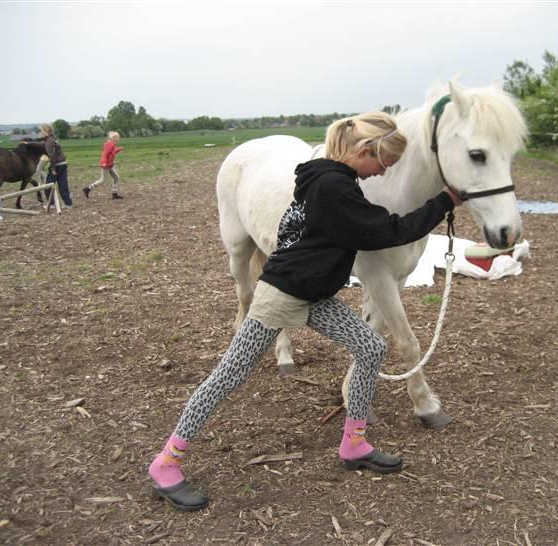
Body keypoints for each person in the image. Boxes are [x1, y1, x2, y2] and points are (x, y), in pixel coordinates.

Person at [148, 111, 462, 511]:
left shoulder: (328, 177)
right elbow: (386, 231)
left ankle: (354, 443)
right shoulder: (335, 189)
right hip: (282, 294)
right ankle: (166, 464)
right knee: (228, 377)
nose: (382, 173)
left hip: (314, 294)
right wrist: (443, 202)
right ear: (364, 150)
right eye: (382, 163)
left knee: (369, 347)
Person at [83, 131, 125, 199]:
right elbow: (105, 154)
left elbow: (112, 152)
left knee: (116, 177)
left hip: (110, 165)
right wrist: (104, 162)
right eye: (117, 137)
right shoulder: (110, 144)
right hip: (106, 165)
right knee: (102, 180)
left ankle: (114, 194)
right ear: (113, 138)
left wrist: (119, 149)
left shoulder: (113, 144)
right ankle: (88, 189)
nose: (118, 138)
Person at [40, 124, 72, 208]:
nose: (40, 132)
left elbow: (52, 156)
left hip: (56, 165)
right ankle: (68, 203)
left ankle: (51, 204)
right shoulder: (53, 139)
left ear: (45, 131)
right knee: (63, 184)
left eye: (41, 131)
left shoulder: (48, 142)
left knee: (48, 185)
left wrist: (53, 168)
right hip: (63, 163)